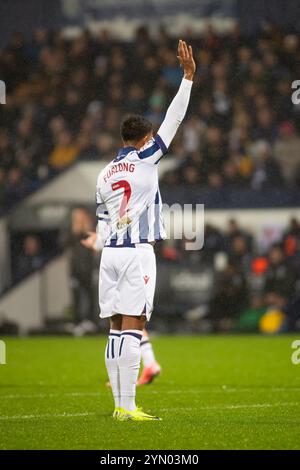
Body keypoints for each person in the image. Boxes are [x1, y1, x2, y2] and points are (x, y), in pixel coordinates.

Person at [88, 40, 195, 421]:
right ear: (146, 139)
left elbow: (102, 218)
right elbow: (175, 119)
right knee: (135, 326)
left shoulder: (103, 173)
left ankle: (118, 406)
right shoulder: (148, 158)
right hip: (136, 252)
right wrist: (187, 78)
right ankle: (129, 407)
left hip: (110, 254)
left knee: (115, 329)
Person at [81, 231, 162, 384]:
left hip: (130, 252)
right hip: (131, 251)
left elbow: (120, 219)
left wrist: (99, 240)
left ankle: (123, 383)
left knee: (125, 317)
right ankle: (147, 364)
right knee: (127, 315)